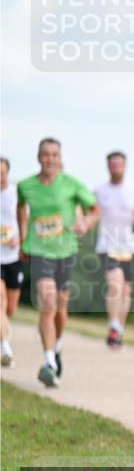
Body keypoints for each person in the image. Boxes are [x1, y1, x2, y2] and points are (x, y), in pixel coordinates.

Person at [17, 138, 101, 387]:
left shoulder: (72, 184)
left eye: (54, 154)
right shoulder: (26, 185)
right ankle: (49, 361)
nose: (50, 159)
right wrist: (23, 237)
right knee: (47, 302)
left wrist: (85, 223)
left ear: (60, 158)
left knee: (61, 310)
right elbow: (21, 208)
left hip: (66, 250)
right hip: (39, 250)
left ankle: (57, 343)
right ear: (38, 157)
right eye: (45, 154)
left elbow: (95, 210)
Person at [93, 151, 134, 349]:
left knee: (126, 290)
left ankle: (118, 330)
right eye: (112, 164)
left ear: (125, 165)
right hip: (109, 244)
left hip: (131, 245)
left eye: (119, 164)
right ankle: (113, 324)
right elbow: (91, 214)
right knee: (115, 284)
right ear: (108, 167)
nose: (116, 167)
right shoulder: (99, 190)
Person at [1, 157, 24, 367]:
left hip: (14, 256)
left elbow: (26, 218)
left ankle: (3, 329)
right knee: (0, 303)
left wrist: (21, 239)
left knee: (10, 308)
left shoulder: (17, 193)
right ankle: (4, 346)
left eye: (2, 173)